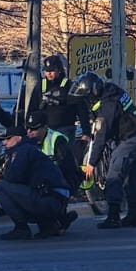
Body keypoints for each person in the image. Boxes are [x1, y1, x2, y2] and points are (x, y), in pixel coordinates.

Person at [73, 71, 136, 230]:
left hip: (130, 139)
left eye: (87, 97)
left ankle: (114, 216)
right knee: (131, 178)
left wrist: (91, 163)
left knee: (114, 175)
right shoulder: (112, 91)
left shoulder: (108, 105)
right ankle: (134, 215)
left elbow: (100, 136)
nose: (87, 101)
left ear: (93, 92)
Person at [0, 110, 77, 241]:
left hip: (54, 197)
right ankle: (50, 224)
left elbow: (12, 177)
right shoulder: (31, 147)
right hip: (51, 195)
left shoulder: (26, 149)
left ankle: (22, 228)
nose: (30, 132)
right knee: (21, 190)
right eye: (28, 128)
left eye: (8, 139)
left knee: (1, 187)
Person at [37, 53, 86, 195]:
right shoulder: (41, 86)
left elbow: (80, 109)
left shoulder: (69, 85)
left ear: (59, 70)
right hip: (46, 130)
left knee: (65, 160)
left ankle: (69, 188)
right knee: (46, 160)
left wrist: (86, 132)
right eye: (47, 71)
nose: (49, 74)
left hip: (65, 129)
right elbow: (32, 106)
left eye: (52, 71)